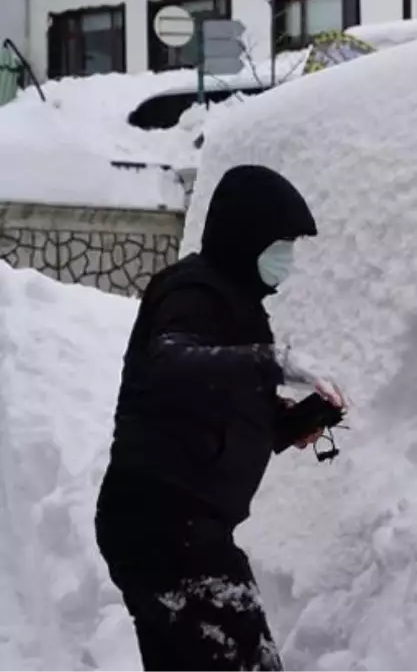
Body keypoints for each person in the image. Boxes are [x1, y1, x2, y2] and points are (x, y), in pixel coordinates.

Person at [95, 164, 343, 672]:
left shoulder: (235, 300)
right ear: (246, 234)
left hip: (177, 529)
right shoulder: (194, 293)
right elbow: (170, 362)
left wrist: (286, 425)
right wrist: (271, 362)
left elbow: (214, 406)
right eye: (281, 242)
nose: (288, 257)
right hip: (165, 528)